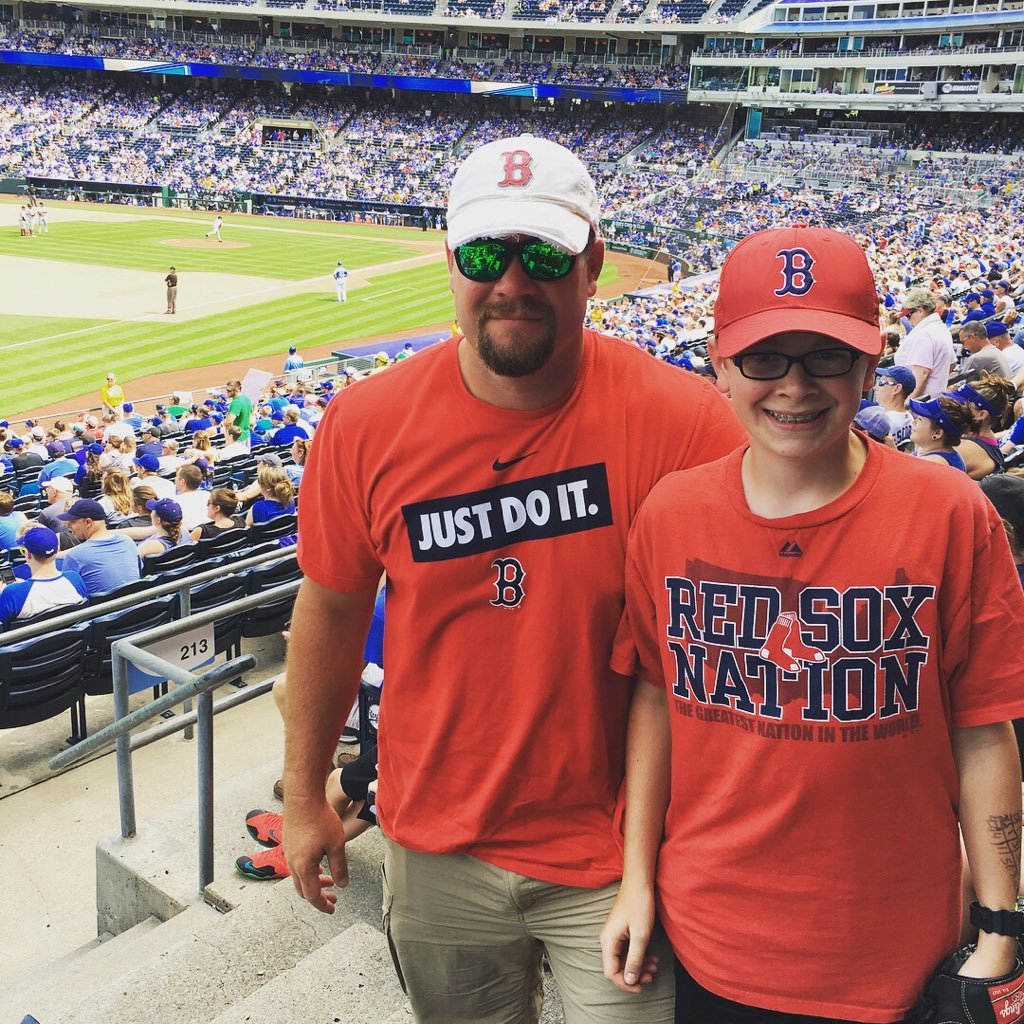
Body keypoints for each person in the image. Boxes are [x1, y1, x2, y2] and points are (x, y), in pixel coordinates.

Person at [284, 133, 745, 1024]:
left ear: (593, 265)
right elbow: (333, 611)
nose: (512, 282)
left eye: (542, 254)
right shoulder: (365, 424)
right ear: (450, 257)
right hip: (437, 845)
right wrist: (306, 794)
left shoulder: (687, 420)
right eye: (486, 254)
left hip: (621, 850)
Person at [602, 225, 1024, 1024]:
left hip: (896, 949)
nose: (794, 386)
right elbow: (655, 701)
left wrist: (1002, 929)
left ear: (869, 363)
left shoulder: (948, 512)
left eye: (825, 355)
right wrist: (637, 881)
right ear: (721, 366)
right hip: (710, 941)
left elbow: (984, 730)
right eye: (765, 357)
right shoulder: (671, 513)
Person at [0, 526, 88, 627]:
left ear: (27, 554)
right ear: (56, 551)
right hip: (73, 641)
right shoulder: (74, 579)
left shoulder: (12, 593)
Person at [58, 498, 141, 596]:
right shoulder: (128, 541)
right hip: (139, 607)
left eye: (73, 521)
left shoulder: (75, 556)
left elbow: (69, 595)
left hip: (103, 610)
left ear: (88, 522)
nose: (68, 526)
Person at [894, 286, 955, 399]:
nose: (907, 319)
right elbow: (952, 364)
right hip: (934, 396)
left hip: (921, 403)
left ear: (920, 311)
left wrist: (908, 403)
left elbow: (922, 374)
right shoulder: (940, 328)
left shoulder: (924, 334)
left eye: (908, 315)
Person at [908, 393, 980, 471]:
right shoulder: (934, 452)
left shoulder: (935, 463)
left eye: (920, 419)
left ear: (937, 433)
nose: (913, 422)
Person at [225, 379, 253, 446]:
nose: (227, 392)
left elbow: (229, 422)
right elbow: (251, 416)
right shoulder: (246, 399)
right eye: (227, 390)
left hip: (238, 438)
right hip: (246, 434)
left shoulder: (236, 402)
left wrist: (228, 438)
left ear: (237, 390)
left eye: (229, 391)